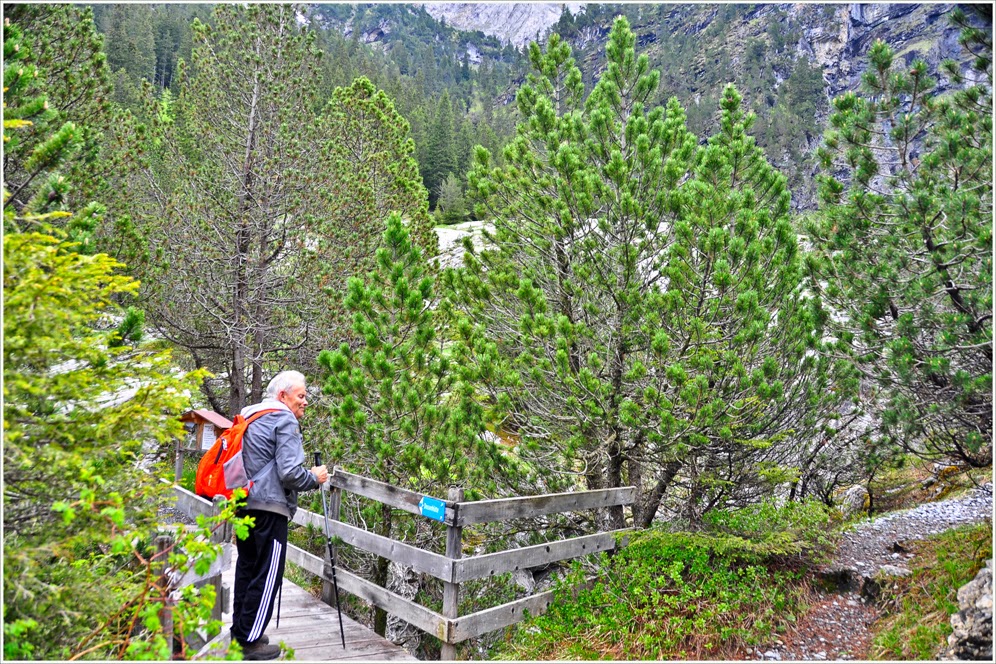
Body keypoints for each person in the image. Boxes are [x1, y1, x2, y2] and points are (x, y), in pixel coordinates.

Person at [230, 370, 329, 660]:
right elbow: (289, 473)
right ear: (282, 396)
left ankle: (242, 631)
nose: (305, 401)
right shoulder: (284, 418)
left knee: (247, 568)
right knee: (268, 573)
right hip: (270, 507)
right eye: (301, 395)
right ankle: (251, 643)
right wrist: (314, 477)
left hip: (244, 504)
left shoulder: (251, 416)